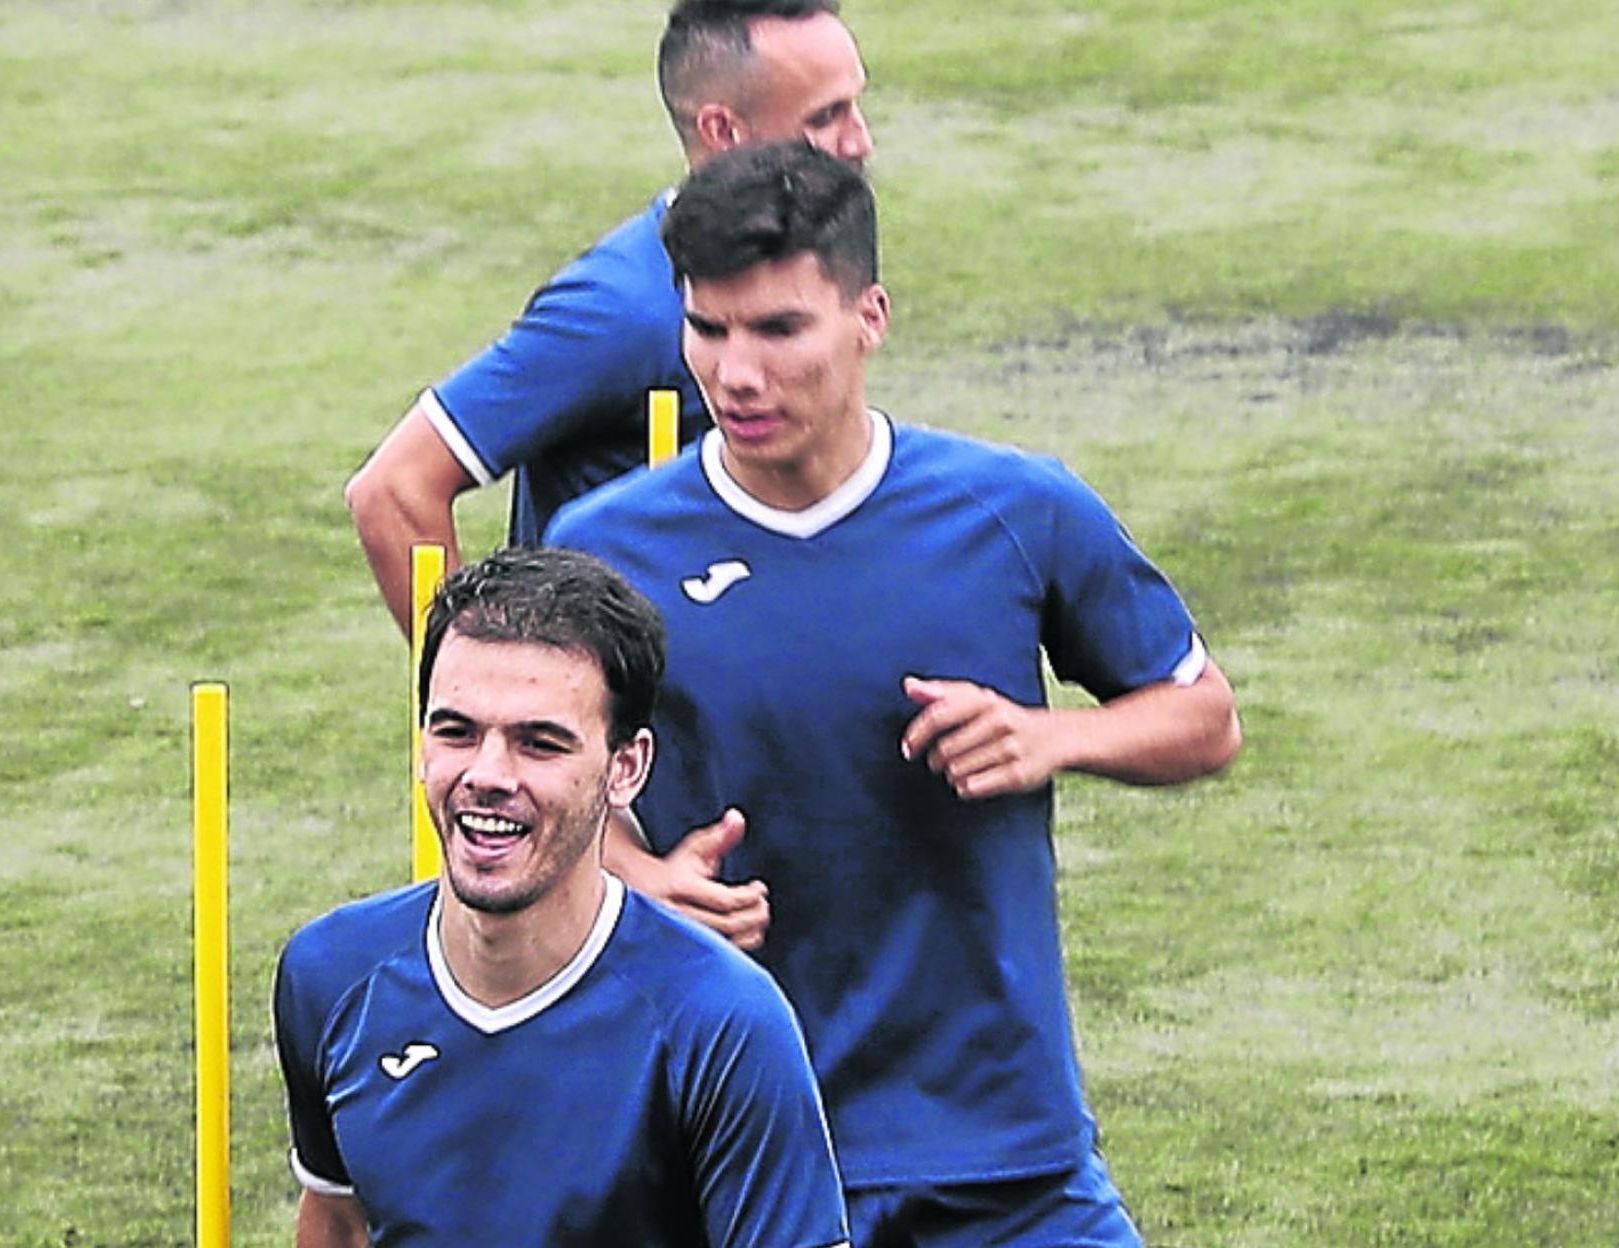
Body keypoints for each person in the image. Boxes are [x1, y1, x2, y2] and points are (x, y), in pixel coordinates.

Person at [546, 143, 1244, 1247]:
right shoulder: (603, 550)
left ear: (870, 316)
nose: (735, 373)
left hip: (1004, 1152)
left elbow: (1204, 717)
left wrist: (1055, 735)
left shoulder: (1017, 511)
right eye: (707, 330)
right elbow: (525, 791)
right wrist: (633, 875)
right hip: (733, 1148)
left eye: (779, 330)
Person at [273, 546, 853, 1247]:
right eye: (456, 731)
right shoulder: (328, 975)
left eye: (538, 743)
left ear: (625, 769)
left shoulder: (723, 1025)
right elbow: (337, 1220)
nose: (487, 774)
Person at [345, 0, 874, 636]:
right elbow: (394, 490)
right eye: (826, 117)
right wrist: (483, 692)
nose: (859, 141)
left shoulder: (810, 261)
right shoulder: (624, 308)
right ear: (723, 132)